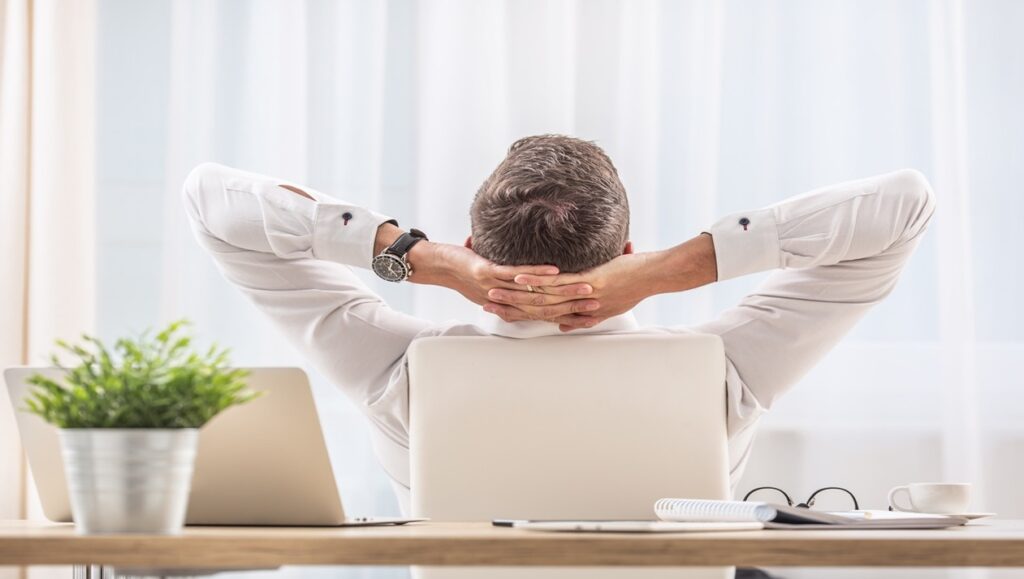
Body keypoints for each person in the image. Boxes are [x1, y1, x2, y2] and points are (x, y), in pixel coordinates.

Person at [181, 134, 935, 514]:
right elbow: (903, 208)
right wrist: (670, 271)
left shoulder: (391, 372)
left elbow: (211, 203)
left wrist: (422, 259)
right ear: (627, 254)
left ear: (474, 248)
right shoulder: (728, 371)